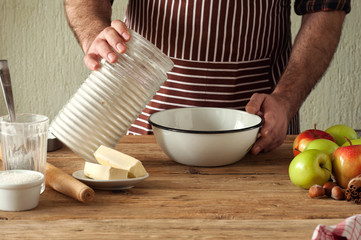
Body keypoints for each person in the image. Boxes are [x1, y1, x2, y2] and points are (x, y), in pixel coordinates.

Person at [64, 0, 350, 155]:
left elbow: (325, 8)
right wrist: (94, 37)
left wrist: (285, 100)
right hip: (144, 132)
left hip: (259, 130)